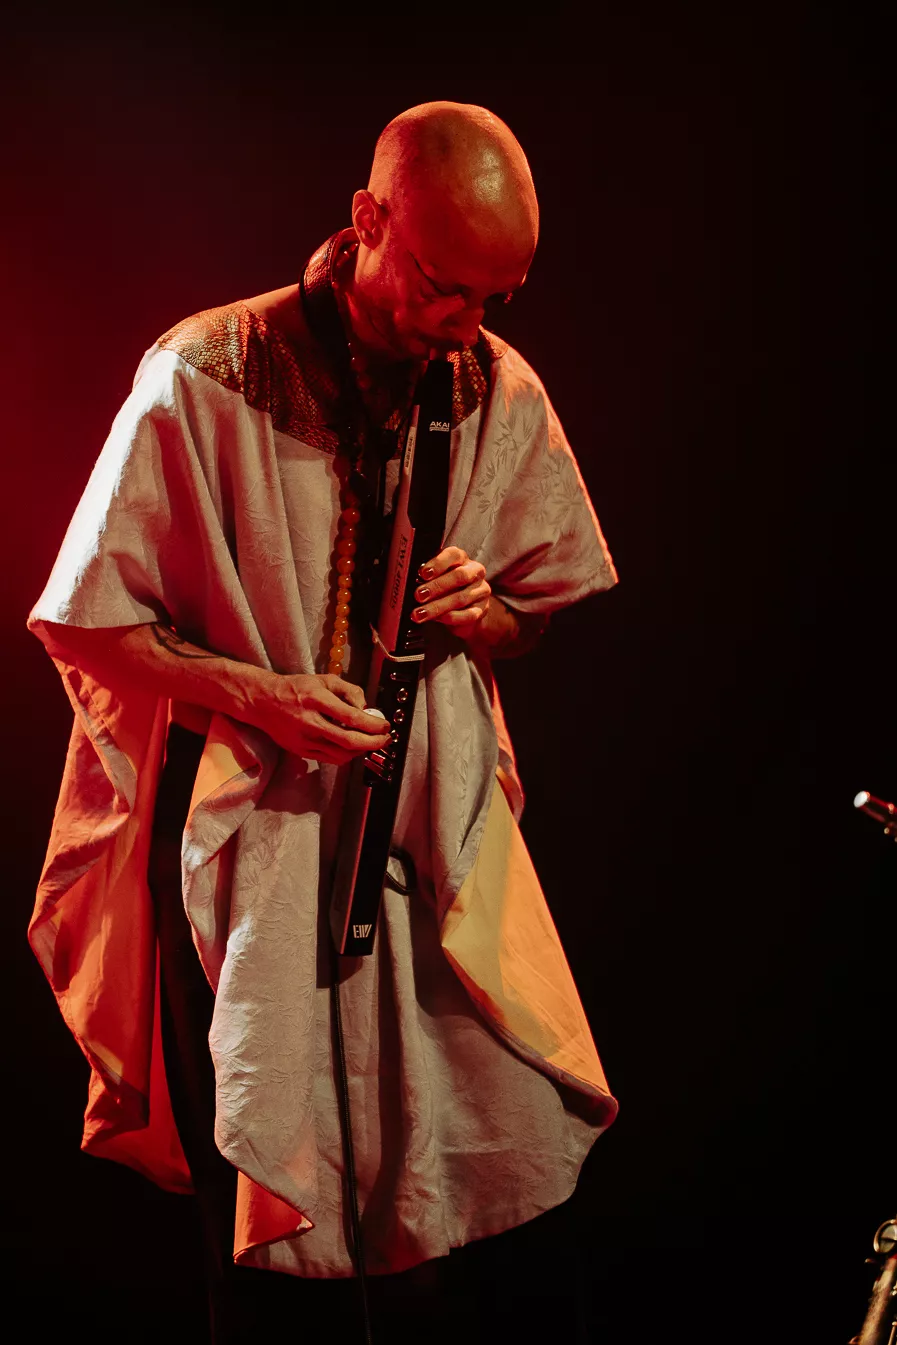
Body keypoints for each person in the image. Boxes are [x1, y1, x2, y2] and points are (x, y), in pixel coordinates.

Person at [28, 102, 619, 1341]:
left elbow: (538, 607)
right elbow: (86, 623)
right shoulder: (204, 372)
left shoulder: (493, 384)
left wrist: (491, 612)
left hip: (421, 853)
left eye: (495, 299)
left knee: (439, 1211)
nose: (466, 324)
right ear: (367, 221)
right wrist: (261, 694)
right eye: (444, 286)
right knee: (261, 1236)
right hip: (241, 845)